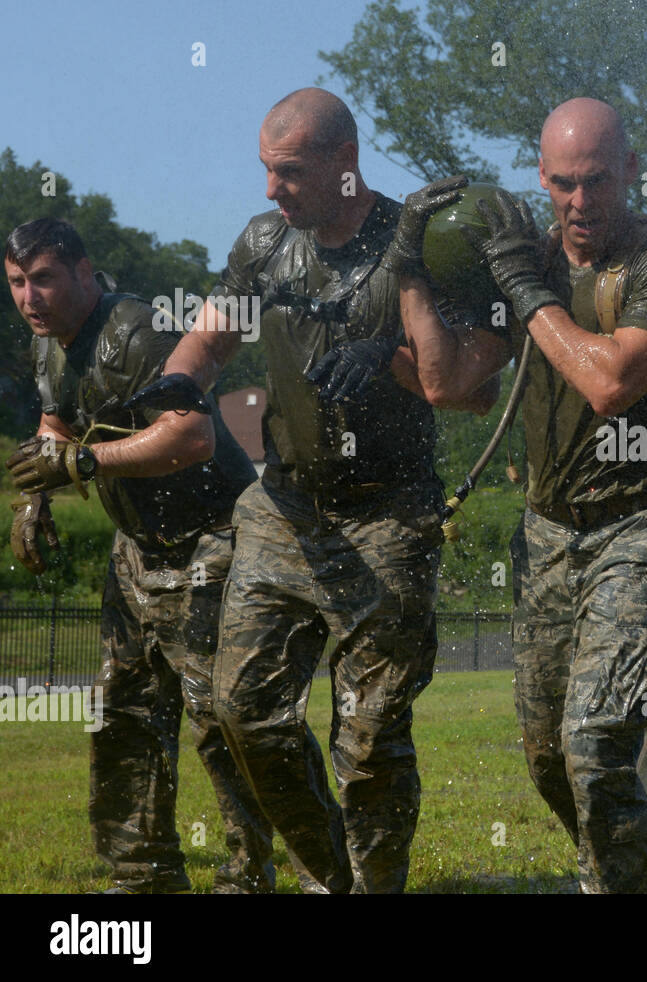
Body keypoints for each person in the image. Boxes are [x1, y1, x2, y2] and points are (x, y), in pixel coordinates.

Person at [159, 88, 484, 894]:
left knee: (370, 739)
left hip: (390, 511)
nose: (272, 190)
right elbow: (211, 335)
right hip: (285, 504)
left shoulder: (420, 245)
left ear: (347, 161)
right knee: (243, 714)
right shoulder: (267, 244)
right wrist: (177, 381)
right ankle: (328, 873)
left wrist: (388, 353)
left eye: (290, 172)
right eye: (266, 171)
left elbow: (468, 388)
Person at [396, 97, 647, 892]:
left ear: (632, 171)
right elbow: (450, 382)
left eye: (598, 181)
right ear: (541, 177)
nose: (580, 203)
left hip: (638, 527)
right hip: (546, 534)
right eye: (564, 184)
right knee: (546, 755)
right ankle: (606, 865)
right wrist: (407, 269)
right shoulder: (530, 261)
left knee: (595, 743)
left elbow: (610, 381)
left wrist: (525, 290)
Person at [4, 217, 272, 893]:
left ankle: (250, 871)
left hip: (213, 534)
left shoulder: (135, 332)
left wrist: (84, 463)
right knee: (123, 714)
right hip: (138, 545)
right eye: (15, 283)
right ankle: (143, 873)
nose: (29, 298)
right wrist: (34, 499)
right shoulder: (49, 344)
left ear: (85, 273)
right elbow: (55, 421)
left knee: (221, 719)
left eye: (43, 279)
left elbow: (193, 436)